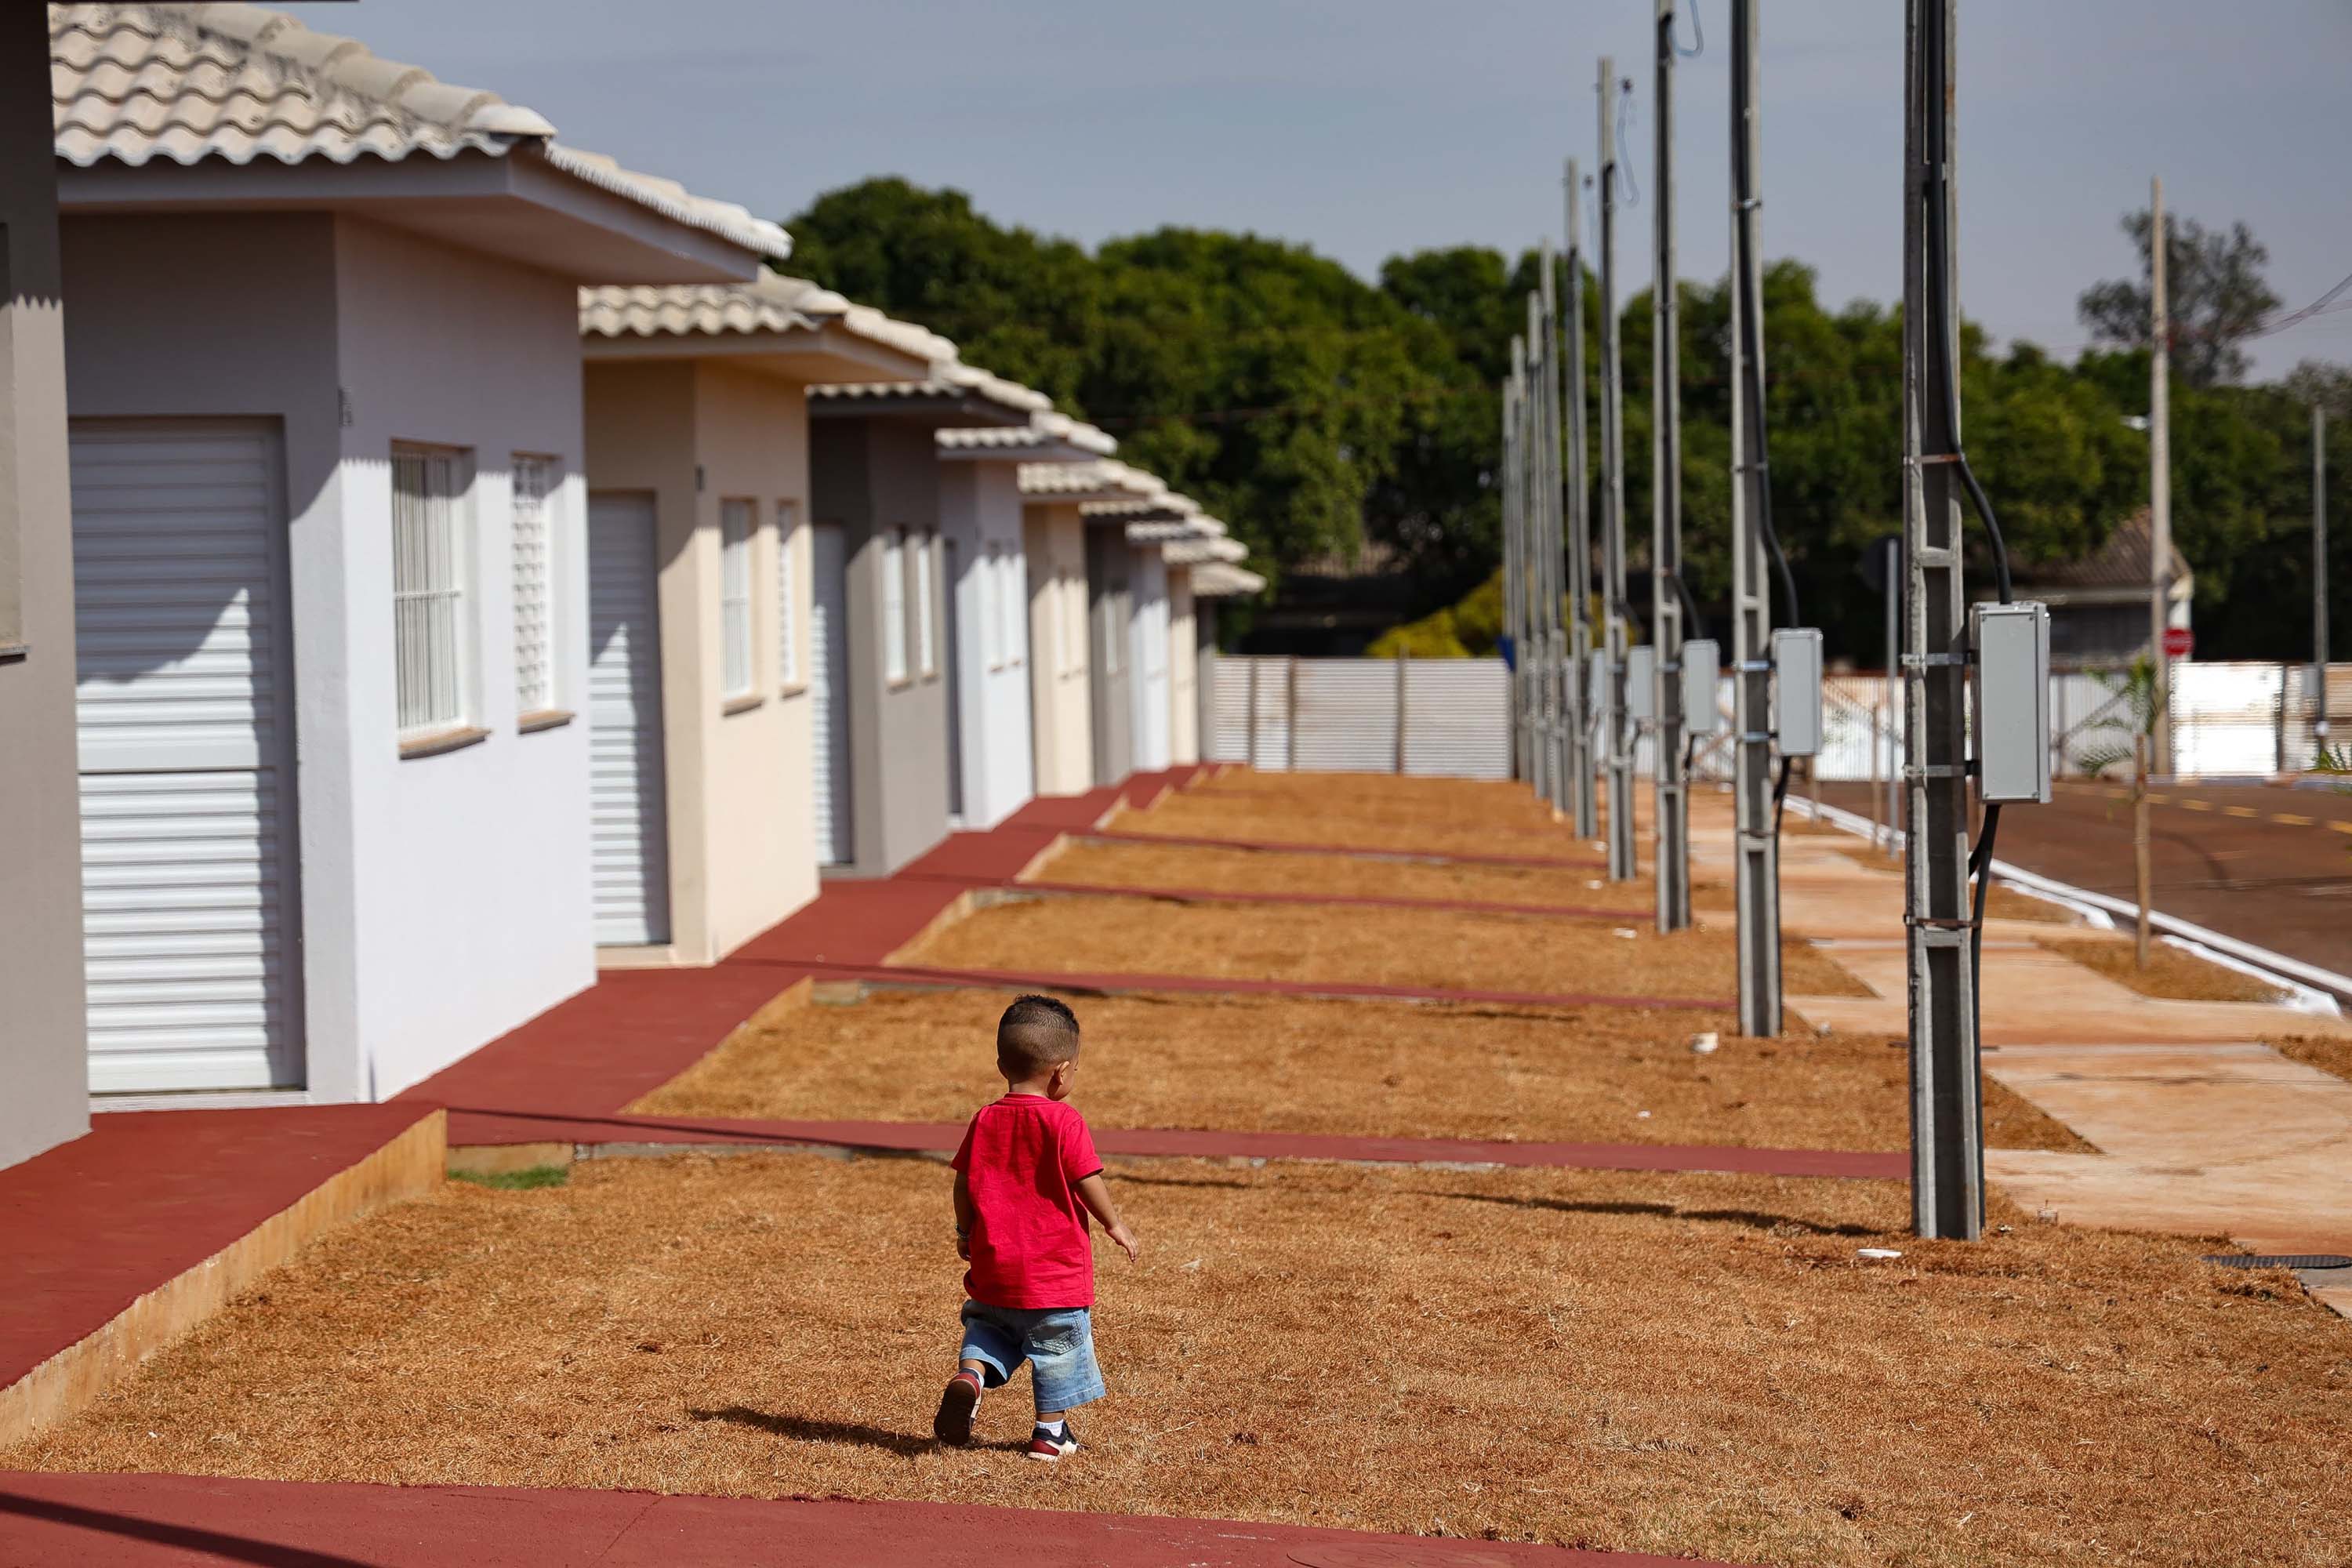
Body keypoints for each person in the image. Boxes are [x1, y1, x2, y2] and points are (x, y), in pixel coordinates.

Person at [932, 994, 1138, 1461]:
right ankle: (1050, 1433)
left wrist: (965, 1232)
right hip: (1054, 1276)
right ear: (1062, 1071)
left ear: (1002, 1062)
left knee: (989, 1328)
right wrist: (1114, 1223)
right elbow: (1087, 1179)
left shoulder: (986, 1118)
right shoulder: (1065, 1120)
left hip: (994, 1266)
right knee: (1056, 1349)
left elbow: (963, 1184)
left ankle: (972, 1377)